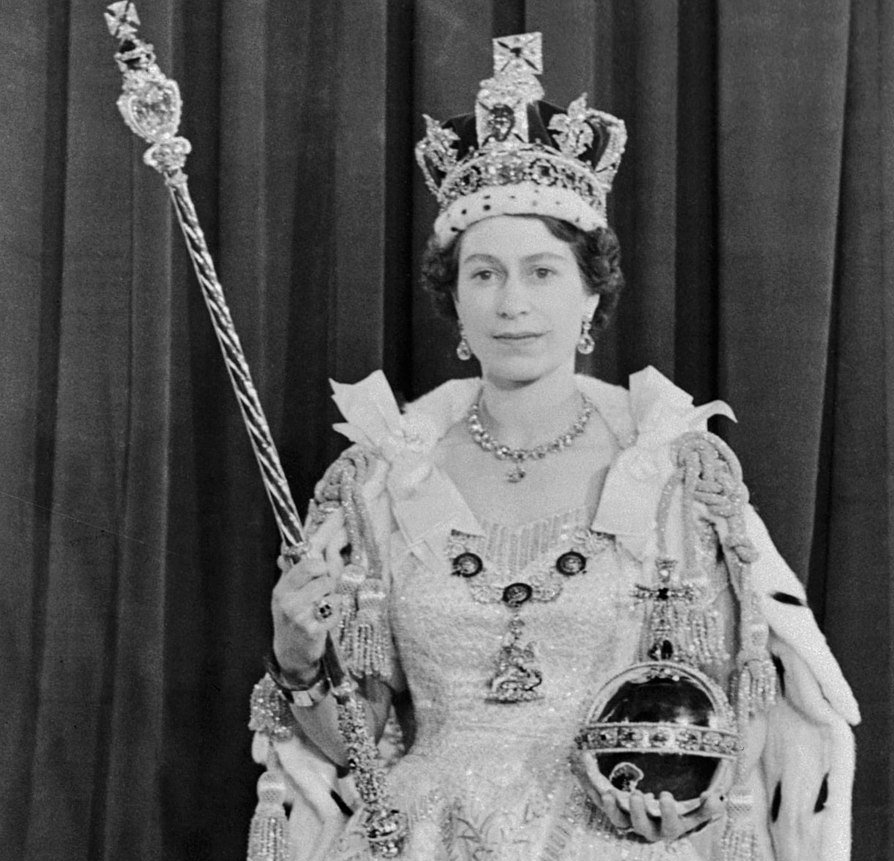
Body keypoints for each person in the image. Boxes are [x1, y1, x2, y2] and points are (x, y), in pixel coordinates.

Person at [247, 32, 860, 861]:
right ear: (455, 301)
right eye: (484, 274)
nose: (513, 305)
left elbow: (726, 701)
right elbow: (354, 742)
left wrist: (686, 804)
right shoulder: (383, 479)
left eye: (542, 272)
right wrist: (297, 657)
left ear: (590, 297)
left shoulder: (671, 471)